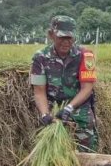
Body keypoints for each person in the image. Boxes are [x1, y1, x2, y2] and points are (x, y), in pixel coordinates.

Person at [30, 15, 98, 152]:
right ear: (51, 35)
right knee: (50, 151)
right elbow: (39, 91)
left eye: (69, 38)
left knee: (87, 150)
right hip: (53, 109)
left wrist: (69, 108)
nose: (66, 42)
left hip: (79, 108)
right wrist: (45, 114)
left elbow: (87, 88)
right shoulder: (40, 58)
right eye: (62, 37)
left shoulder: (85, 55)